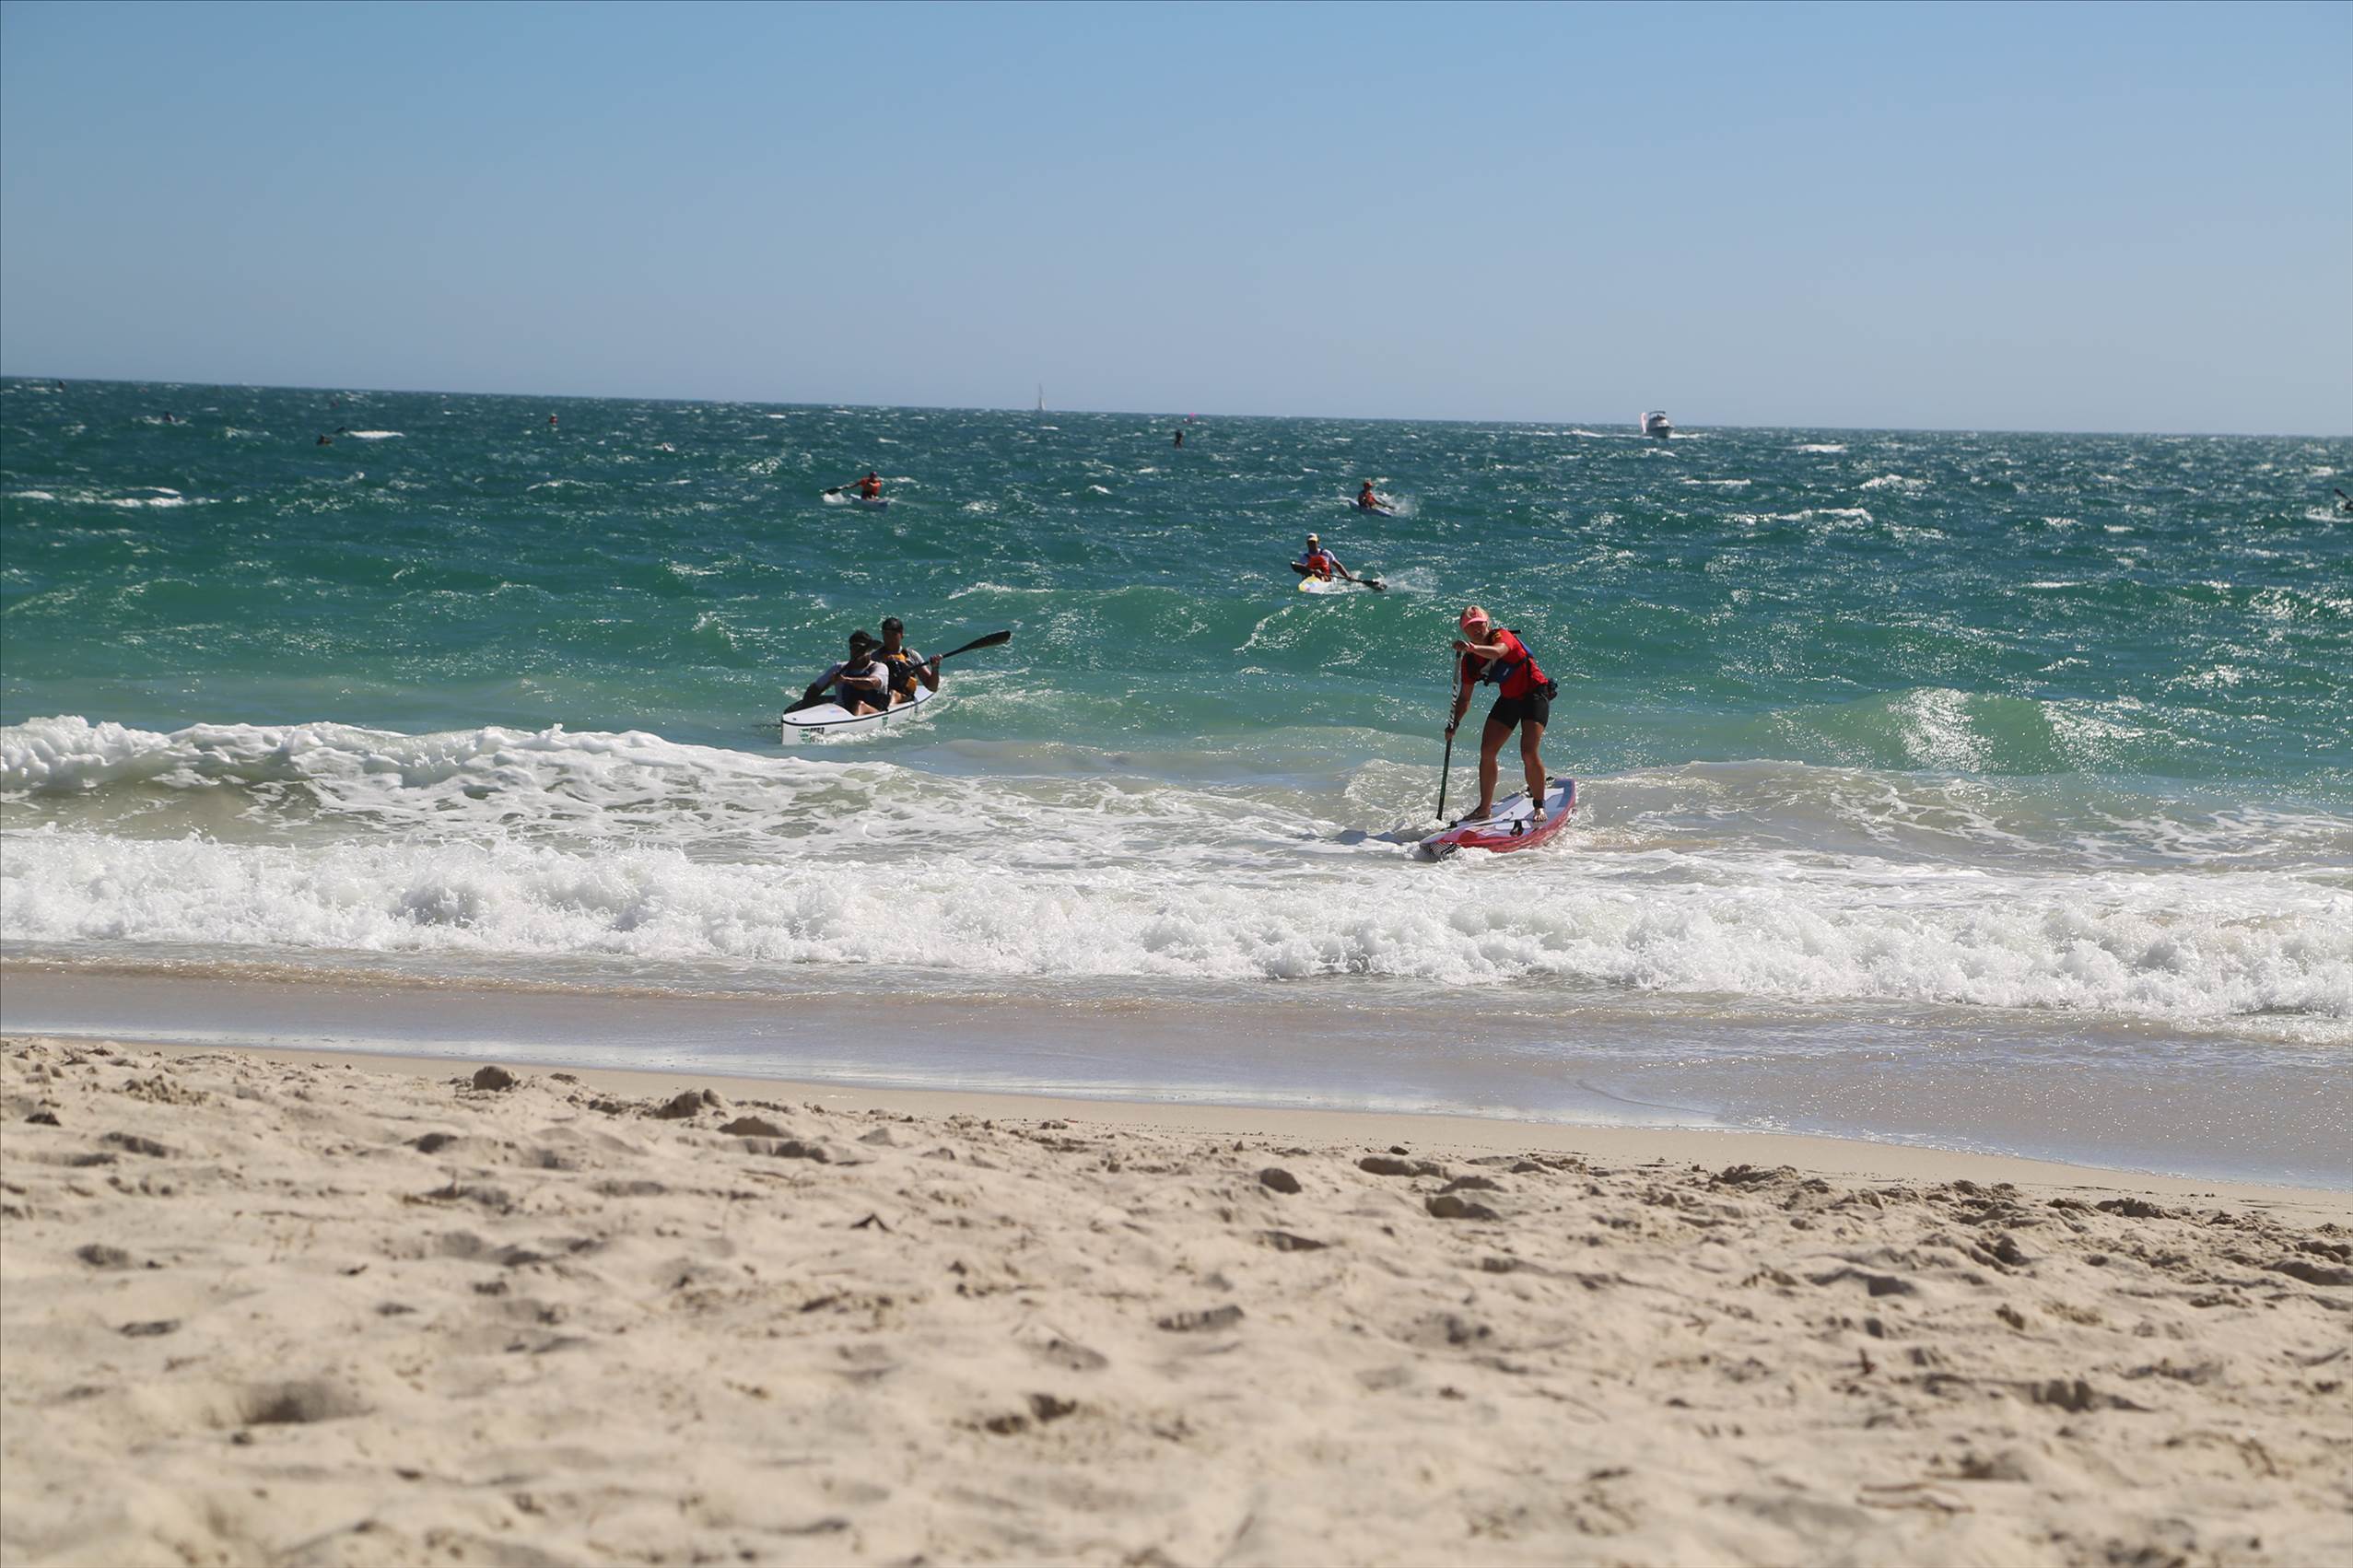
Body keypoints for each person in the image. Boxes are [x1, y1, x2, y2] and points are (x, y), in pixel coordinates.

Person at [1446, 605, 1557, 825]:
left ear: (1488, 623)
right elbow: (1465, 699)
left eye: (1480, 624)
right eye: (1471, 626)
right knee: (1487, 750)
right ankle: (1484, 808)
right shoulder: (1470, 662)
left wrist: (1472, 648)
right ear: (1464, 630)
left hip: (1535, 693)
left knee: (1528, 751)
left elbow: (1497, 652)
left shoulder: (1502, 636)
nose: (1477, 629)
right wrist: (1454, 724)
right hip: (1510, 698)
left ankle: (1539, 804)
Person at [802, 630, 892, 716]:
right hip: (844, 714)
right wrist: (806, 704)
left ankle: (853, 722)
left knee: (860, 705)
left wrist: (845, 680)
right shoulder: (839, 668)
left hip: (874, 712)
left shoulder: (879, 667)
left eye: (860, 648)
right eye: (853, 648)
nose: (856, 651)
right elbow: (814, 689)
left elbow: (872, 683)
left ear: (868, 651)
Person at [872, 616, 940, 707]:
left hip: (905, 697)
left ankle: (890, 707)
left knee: (893, 693)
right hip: (882, 697)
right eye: (886, 634)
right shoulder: (875, 657)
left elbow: (932, 687)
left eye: (893, 634)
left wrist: (935, 668)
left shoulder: (912, 656)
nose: (889, 638)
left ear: (901, 634)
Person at [1294, 532, 1364, 585]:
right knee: (1315, 574)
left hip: (1327, 577)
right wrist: (1314, 571)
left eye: (1313, 542)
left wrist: (1347, 576)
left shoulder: (1326, 553)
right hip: (1312, 578)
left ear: (1318, 542)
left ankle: (1322, 579)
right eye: (1310, 542)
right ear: (1307, 543)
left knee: (1322, 575)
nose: (1311, 544)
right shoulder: (1304, 557)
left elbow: (1338, 566)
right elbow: (1303, 570)